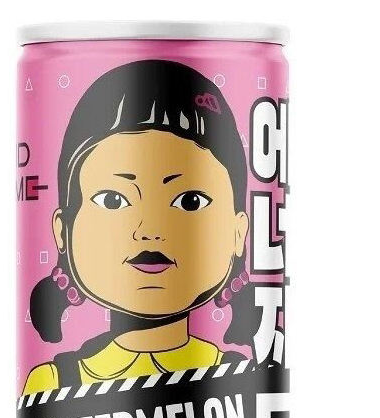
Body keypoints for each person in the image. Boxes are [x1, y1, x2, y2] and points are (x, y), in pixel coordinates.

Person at [23, 59, 254, 395]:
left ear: (238, 232)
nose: (149, 230)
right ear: (63, 230)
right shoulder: (51, 383)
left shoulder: (242, 376)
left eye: (190, 201)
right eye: (113, 200)